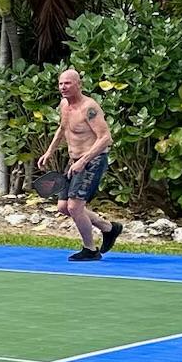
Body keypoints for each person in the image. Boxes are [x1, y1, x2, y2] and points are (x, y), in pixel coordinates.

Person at [37, 67, 123, 263]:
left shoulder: (89, 108)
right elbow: (63, 128)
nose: (63, 87)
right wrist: (49, 151)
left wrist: (84, 160)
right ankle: (109, 228)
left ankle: (90, 250)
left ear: (78, 85)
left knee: (75, 207)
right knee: (63, 207)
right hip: (74, 161)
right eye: (60, 83)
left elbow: (105, 138)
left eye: (67, 83)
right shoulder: (64, 105)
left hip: (92, 160)